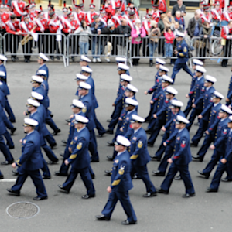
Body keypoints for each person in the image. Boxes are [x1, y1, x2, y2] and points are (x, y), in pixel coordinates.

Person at [96, 135, 137, 225]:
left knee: (125, 202)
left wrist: (112, 186)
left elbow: (120, 175)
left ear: (122, 147)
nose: (115, 145)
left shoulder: (123, 159)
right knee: (112, 198)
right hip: (118, 184)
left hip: (121, 185)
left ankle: (132, 218)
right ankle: (106, 213)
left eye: (117, 144)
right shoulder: (120, 155)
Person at [7, 118, 48, 201]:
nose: (24, 127)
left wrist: (17, 163)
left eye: (25, 126)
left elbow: (26, 154)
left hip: (31, 162)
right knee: (22, 174)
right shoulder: (35, 134)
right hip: (30, 162)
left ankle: (42, 194)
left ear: (30, 128)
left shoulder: (30, 141)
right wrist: (24, 141)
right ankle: (16, 189)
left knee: (37, 179)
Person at [58, 115, 95, 199]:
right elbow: (74, 139)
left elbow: (78, 150)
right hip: (78, 160)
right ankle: (66, 186)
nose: (74, 124)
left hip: (81, 160)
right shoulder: (79, 130)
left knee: (85, 177)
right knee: (72, 173)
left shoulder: (83, 136)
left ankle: (91, 192)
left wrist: (69, 159)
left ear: (81, 124)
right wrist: (71, 146)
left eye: (76, 123)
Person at [158, 115, 195, 198]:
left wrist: (173, 158)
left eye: (178, 123)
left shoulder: (184, 135)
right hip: (178, 158)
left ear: (182, 124)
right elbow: (174, 137)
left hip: (182, 159)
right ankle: (164, 188)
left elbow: (182, 150)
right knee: (171, 172)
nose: (176, 124)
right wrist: (167, 142)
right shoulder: (179, 131)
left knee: (185, 175)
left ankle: (190, 191)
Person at [198, 104, 232, 179]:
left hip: (223, 146)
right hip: (220, 145)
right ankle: (206, 172)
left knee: (224, 162)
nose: (219, 113)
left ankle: (230, 175)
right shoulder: (222, 120)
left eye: (221, 112)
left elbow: (223, 136)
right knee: (214, 159)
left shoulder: (226, 123)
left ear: (225, 114)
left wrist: (215, 144)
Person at [129, 115, 157, 197]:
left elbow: (139, 149)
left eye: (133, 122)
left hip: (139, 159)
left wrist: (131, 158)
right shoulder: (136, 132)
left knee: (144, 175)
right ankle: (124, 188)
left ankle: (151, 190)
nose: (131, 124)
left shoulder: (140, 135)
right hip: (135, 159)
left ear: (137, 124)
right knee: (129, 173)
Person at [192, 91, 224, 162]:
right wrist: (202, 114)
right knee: (205, 143)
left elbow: (216, 122)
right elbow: (207, 109)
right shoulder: (213, 104)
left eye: (214, 98)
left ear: (218, 99)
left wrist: (209, 130)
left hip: (215, 131)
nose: (213, 98)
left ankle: (222, 159)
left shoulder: (219, 109)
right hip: (211, 128)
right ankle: (200, 156)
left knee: (218, 146)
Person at [206, 115, 232, 192]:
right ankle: (213, 187)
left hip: (228, 157)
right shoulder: (229, 130)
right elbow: (223, 137)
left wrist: (226, 159)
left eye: (229, 122)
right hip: (227, 155)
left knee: (220, 170)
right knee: (218, 171)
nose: (227, 123)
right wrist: (215, 145)